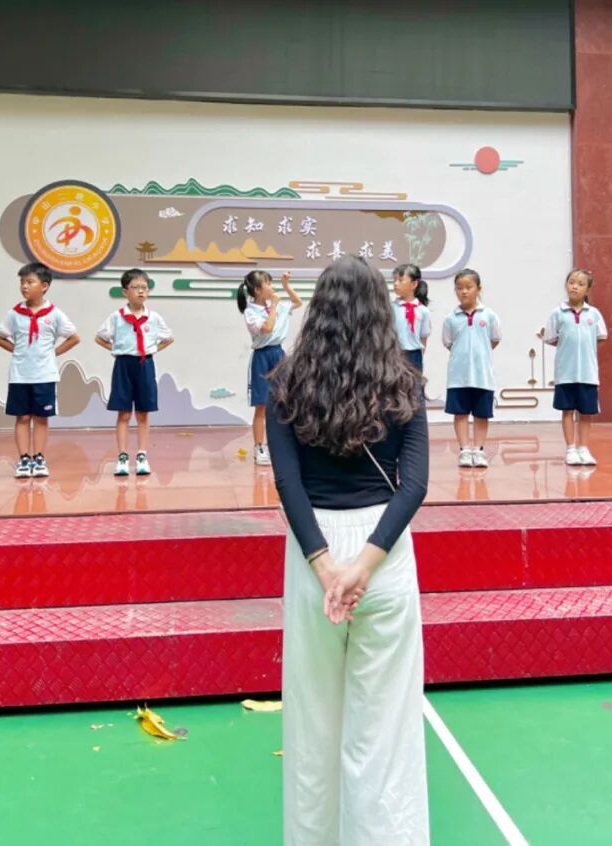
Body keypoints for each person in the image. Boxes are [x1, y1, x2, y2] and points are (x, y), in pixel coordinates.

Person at [267, 255, 430, 846]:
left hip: (315, 552)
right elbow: (414, 485)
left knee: (312, 722)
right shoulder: (403, 380)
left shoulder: (286, 382)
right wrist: (364, 565)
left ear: (319, 309)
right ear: (379, 310)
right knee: (384, 728)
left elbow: (287, 483)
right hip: (382, 551)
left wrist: (326, 565)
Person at [0, 262, 80, 478]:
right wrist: (17, 351)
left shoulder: (55, 314)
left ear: (44, 286)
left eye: (29, 282)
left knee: (41, 418)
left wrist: (53, 353)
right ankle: (24, 459)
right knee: (22, 418)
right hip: (20, 375)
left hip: (45, 375)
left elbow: (74, 337)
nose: (24, 286)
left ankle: (39, 458)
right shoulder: (15, 314)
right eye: (22, 282)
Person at [95, 268, 174, 476]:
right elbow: (99, 337)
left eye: (144, 288)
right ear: (125, 292)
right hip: (123, 365)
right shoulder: (117, 317)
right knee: (123, 412)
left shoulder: (153, 318)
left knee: (143, 413)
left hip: (145, 365)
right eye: (135, 287)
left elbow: (168, 338)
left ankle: (142, 455)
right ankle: (122, 456)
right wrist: (116, 349)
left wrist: (152, 349)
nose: (141, 291)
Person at [540, 269, 608, 465]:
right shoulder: (557, 313)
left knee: (586, 413)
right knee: (567, 411)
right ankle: (570, 448)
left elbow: (600, 338)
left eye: (580, 284)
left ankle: (583, 448)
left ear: (588, 289)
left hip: (587, 373)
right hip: (565, 373)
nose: (575, 287)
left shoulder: (593, 314)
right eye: (571, 282)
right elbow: (551, 338)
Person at [237, 269, 302, 466]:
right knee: (262, 404)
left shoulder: (277, 305)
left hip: (279, 355)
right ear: (257, 290)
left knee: (286, 400)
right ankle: (259, 447)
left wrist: (286, 286)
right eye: (268, 284)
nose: (272, 288)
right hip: (262, 356)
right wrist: (273, 306)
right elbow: (267, 329)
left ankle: (285, 445)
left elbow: (298, 302)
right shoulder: (250, 312)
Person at [442, 268, 500, 468]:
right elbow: (448, 343)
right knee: (460, 413)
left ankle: (479, 450)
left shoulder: (489, 315)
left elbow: (494, 339)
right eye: (459, 288)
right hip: (458, 377)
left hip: (482, 376)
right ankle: (465, 450)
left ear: (478, 288)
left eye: (468, 287)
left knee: (481, 414)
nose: (464, 291)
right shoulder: (451, 318)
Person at [392, 263, 431, 371]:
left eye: (400, 280)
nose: (396, 284)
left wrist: (420, 355)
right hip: (394, 354)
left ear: (414, 284)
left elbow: (423, 337)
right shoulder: (390, 308)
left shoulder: (423, 311)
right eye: (394, 280)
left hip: (414, 356)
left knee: (415, 381)